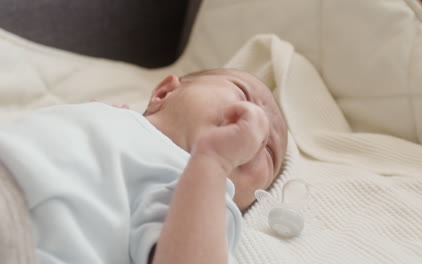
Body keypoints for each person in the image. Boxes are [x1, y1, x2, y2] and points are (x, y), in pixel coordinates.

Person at [0, 68, 288, 264]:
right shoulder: (119, 121)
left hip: (25, 238)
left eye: (270, 152)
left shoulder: (202, 196)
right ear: (164, 93)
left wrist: (212, 164)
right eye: (243, 95)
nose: (257, 126)